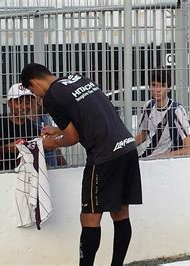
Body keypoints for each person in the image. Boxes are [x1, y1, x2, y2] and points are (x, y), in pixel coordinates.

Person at [21, 63, 142, 266]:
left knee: (90, 218)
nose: (37, 96)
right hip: (126, 147)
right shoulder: (78, 79)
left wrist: (53, 143)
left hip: (104, 155)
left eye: (33, 92)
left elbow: (72, 137)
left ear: (33, 83)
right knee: (120, 212)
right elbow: (87, 119)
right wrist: (57, 131)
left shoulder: (51, 96)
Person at [135, 70, 190, 158]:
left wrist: (163, 156)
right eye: (154, 85)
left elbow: (189, 149)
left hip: (167, 162)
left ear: (169, 88)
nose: (157, 90)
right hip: (147, 159)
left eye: (162, 86)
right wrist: (125, 147)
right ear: (149, 87)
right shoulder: (148, 106)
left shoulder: (176, 110)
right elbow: (144, 135)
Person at [0, 83, 39, 171]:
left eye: (27, 102)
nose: (24, 107)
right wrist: (5, 149)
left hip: (23, 176)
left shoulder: (33, 128)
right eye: (19, 102)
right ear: (9, 103)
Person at [28, 94, 67, 167]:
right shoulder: (26, 125)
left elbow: (56, 147)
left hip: (52, 168)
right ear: (39, 101)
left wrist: (65, 166)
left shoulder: (45, 117)